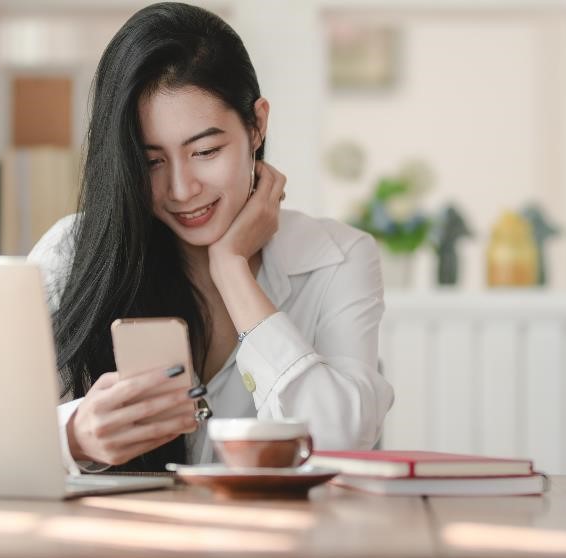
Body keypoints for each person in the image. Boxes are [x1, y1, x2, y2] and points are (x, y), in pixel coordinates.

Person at [28, 2, 393, 473]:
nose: (181, 190)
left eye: (205, 151)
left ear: (257, 125)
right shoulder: (73, 253)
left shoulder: (338, 259)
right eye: (152, 161)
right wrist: (73, 436)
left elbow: (341, 441)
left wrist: (231, 269)